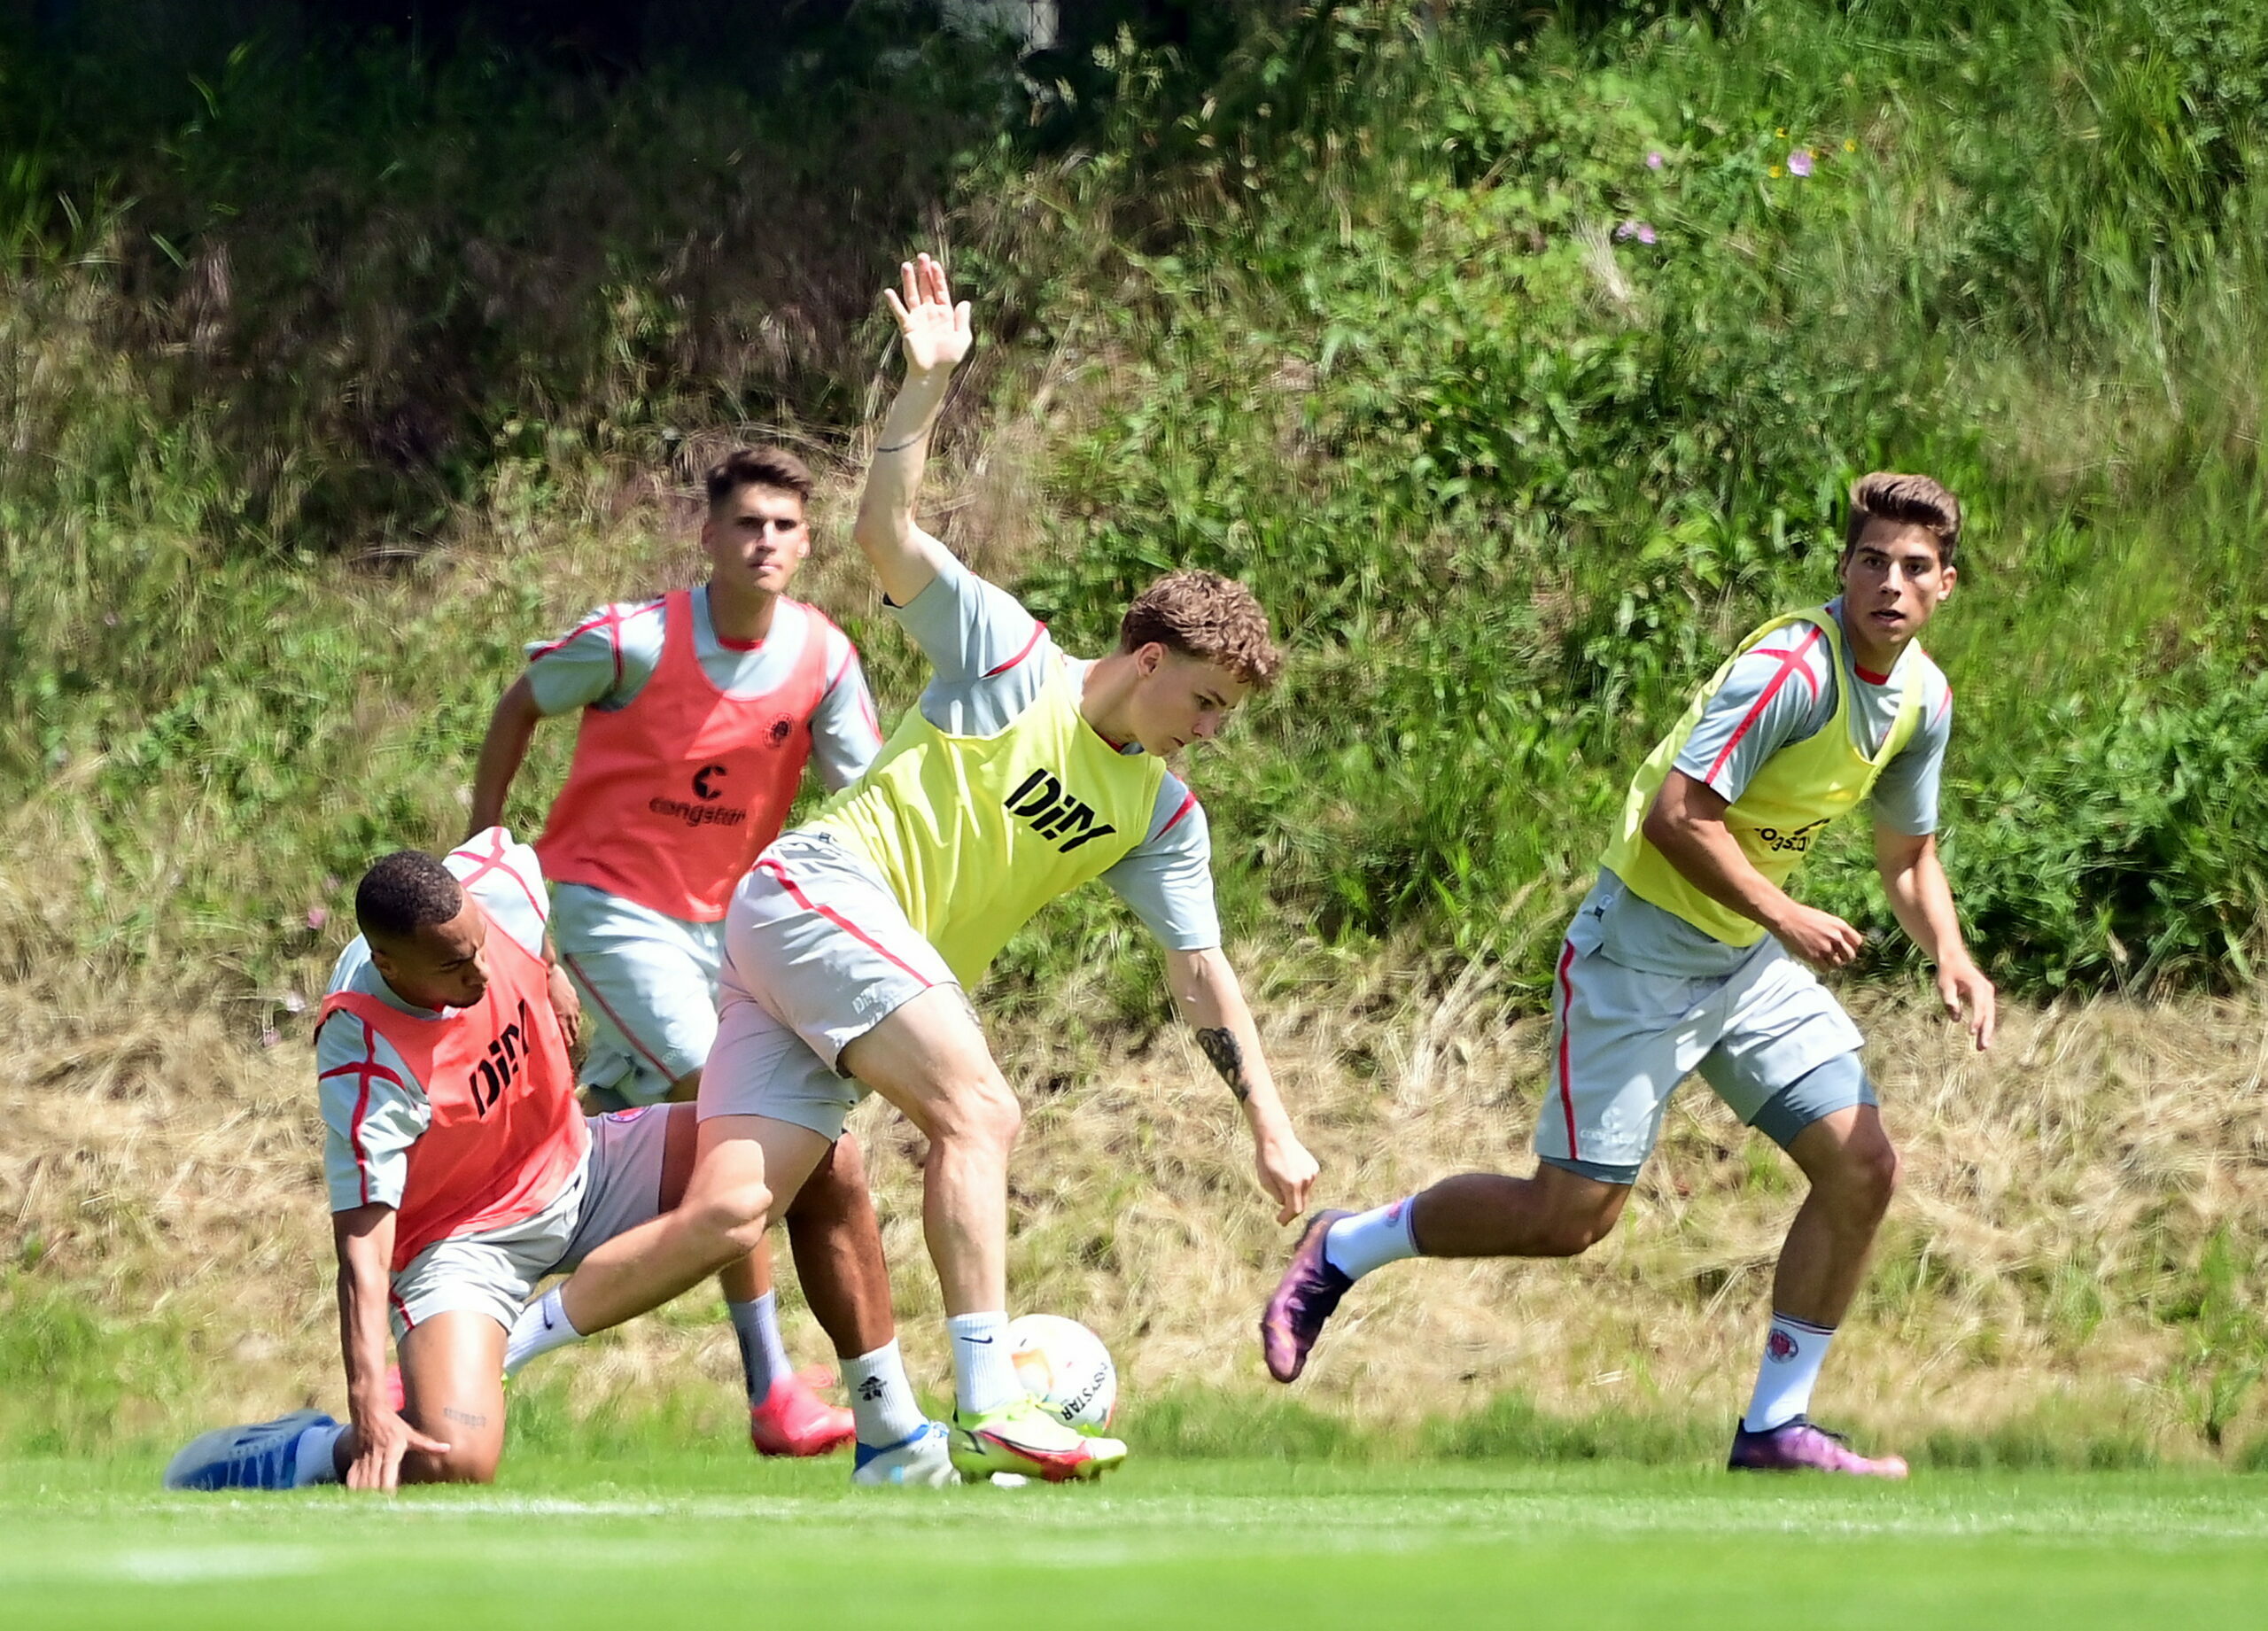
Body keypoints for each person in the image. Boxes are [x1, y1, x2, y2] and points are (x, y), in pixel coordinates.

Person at [509, 253, 1322, 1485]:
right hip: (820, 893)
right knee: (980, 1108)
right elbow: (883, 531)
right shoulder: (1007, 655)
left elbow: (1200, 973)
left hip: (797, 957)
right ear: (1146, 658)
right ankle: (990, 1399)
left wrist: (1269, 1119)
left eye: (1227, 716)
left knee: (731, 1212)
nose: (1209, 730)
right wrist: (922, 393)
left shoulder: (1161, 816)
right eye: (1204, 701)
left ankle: (474, 1352)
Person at [1262, 473, 1995, 1478]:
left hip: (1742, 962)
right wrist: (1784, 911)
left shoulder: (1921, 699)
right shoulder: (1791, 667)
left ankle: (1775, 1425)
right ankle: (1345, 1245)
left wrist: (1950, 954)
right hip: (1642, 950)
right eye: (1872, 560)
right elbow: (1677, 815)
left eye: (1914, 567)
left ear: (1944, 585)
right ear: (1843, 568)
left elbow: (1907, 858)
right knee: (1567, 1221)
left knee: (1862, 1164)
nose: (1890, 582)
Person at [162, 832, 910, 1492]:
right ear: (389, 963)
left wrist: (551, 973)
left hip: (585, 1163)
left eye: (481, 945)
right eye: (455, 967)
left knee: (824, 1159)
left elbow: (519, 875)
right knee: (453, 1456)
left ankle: (891, 1434)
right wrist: (367, 1402)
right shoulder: (364, 1050)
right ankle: (306, 1450)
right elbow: (362, 1245)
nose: (482, 973)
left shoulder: (492, 887)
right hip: (466, 1244)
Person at [465, 447, 887, 1456]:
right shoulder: (636, 640)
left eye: (785, 526)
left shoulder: (824, 658)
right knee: (738, 1110)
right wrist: (481, 845)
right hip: (611, 909)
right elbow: (522, 699)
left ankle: (444, 1321)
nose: (766, 541)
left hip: (729, 929)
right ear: (708, 536)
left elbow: (870, 799)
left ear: (807, 542)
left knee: (568, 1154)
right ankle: (774, 1390)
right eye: (746, 523)